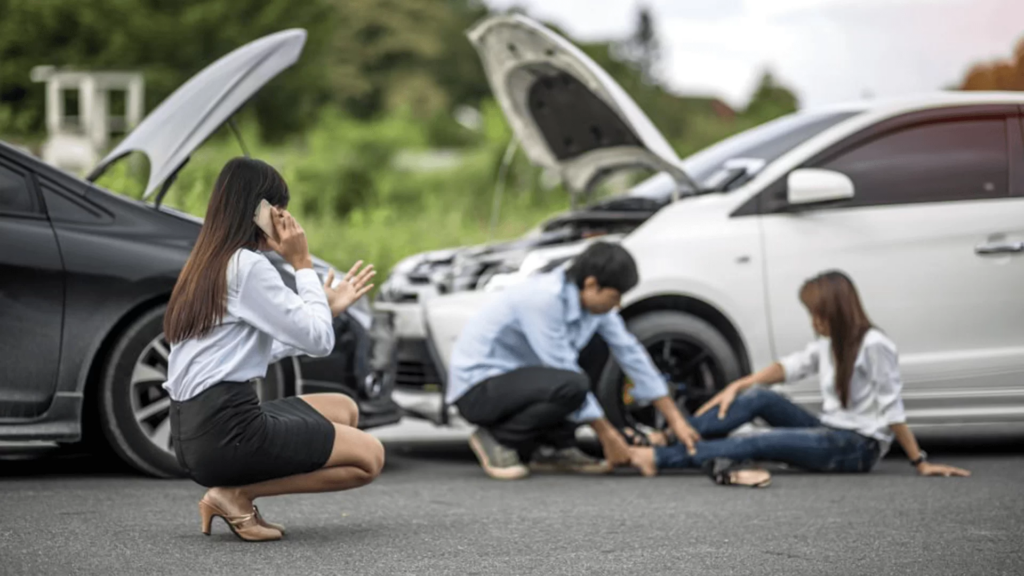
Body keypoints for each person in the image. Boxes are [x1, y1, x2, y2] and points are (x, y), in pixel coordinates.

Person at [163, 157, 384, 541]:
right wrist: (302, 264)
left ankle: (232, 491)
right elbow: (319, 343)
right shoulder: (248, 266)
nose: (285, 218)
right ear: (259, 211)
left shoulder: (208, 262)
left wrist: (325, 307)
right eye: (277, 208)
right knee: (370, 458)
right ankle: (235, 494)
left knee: (343, 408)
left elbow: (258, 348)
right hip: (226, 433)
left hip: (194, 429)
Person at [629, 270, 971, 486]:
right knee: (760, 398)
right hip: (830, 430)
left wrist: (920, 462)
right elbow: (787, 368)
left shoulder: (874, 346)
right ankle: (668, 436)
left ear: (834, 312)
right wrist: (739, 384)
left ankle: (659, 456)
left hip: (855, 448)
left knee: (759, 441)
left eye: (816, 314)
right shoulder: (830, 343)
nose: (812, 322)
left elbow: (892, 409)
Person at [447, 241, 701, 480]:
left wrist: (676, 420)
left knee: (597, 348)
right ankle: (497, 439)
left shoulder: (593, 308)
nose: (618, 304)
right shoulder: (542, 299)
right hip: (478, 389)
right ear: (592, 284)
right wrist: (608, 436)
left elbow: (630, 352)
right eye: (615, 296)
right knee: (573, 383)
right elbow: (561, 367)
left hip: (520, 382)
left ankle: (554, 447)